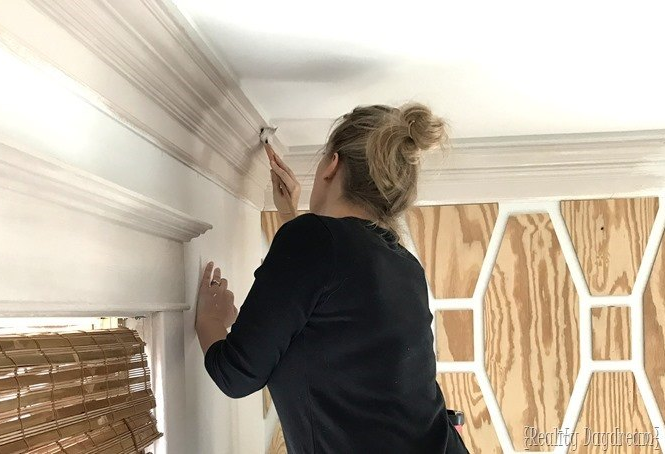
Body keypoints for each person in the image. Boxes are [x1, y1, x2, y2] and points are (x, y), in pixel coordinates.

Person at [195, 103, 470, 453]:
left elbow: (235, 373)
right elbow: (329, 311)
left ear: (331, 165)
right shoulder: (404, 266)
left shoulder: (314, 241)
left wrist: (210, 320)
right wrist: (291, 218)